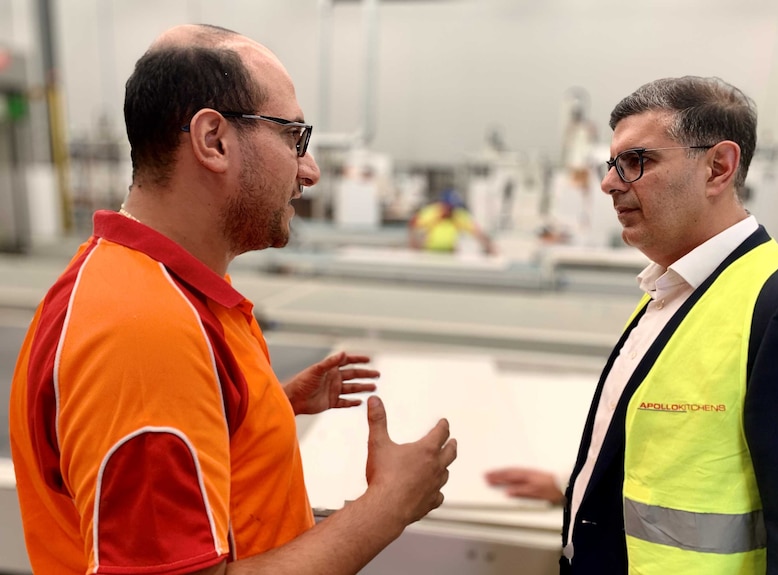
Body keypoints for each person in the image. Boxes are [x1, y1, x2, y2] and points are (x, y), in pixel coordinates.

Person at [8, 24, 457, 575]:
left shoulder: (149, 289)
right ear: (213, 141)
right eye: (294, 137)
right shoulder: (144, 332)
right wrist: (388, 505)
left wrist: (260, 407)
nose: (309, 170)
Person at [505, 76, 778, 574]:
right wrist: (579, 488)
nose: (609, 183)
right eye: (612, 165)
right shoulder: (673, 292)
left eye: (636, 162)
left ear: (718, 167)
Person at [408, 188, 496, 254]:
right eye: (449, 207)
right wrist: (414, 249)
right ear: (442, 204)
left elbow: (477, 232)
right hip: (430, 252)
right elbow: (413, 226)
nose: (451, 210)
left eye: (453, 207)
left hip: (449, 252)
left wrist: (491, 249)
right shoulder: (431, 212)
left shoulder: (457, 215)